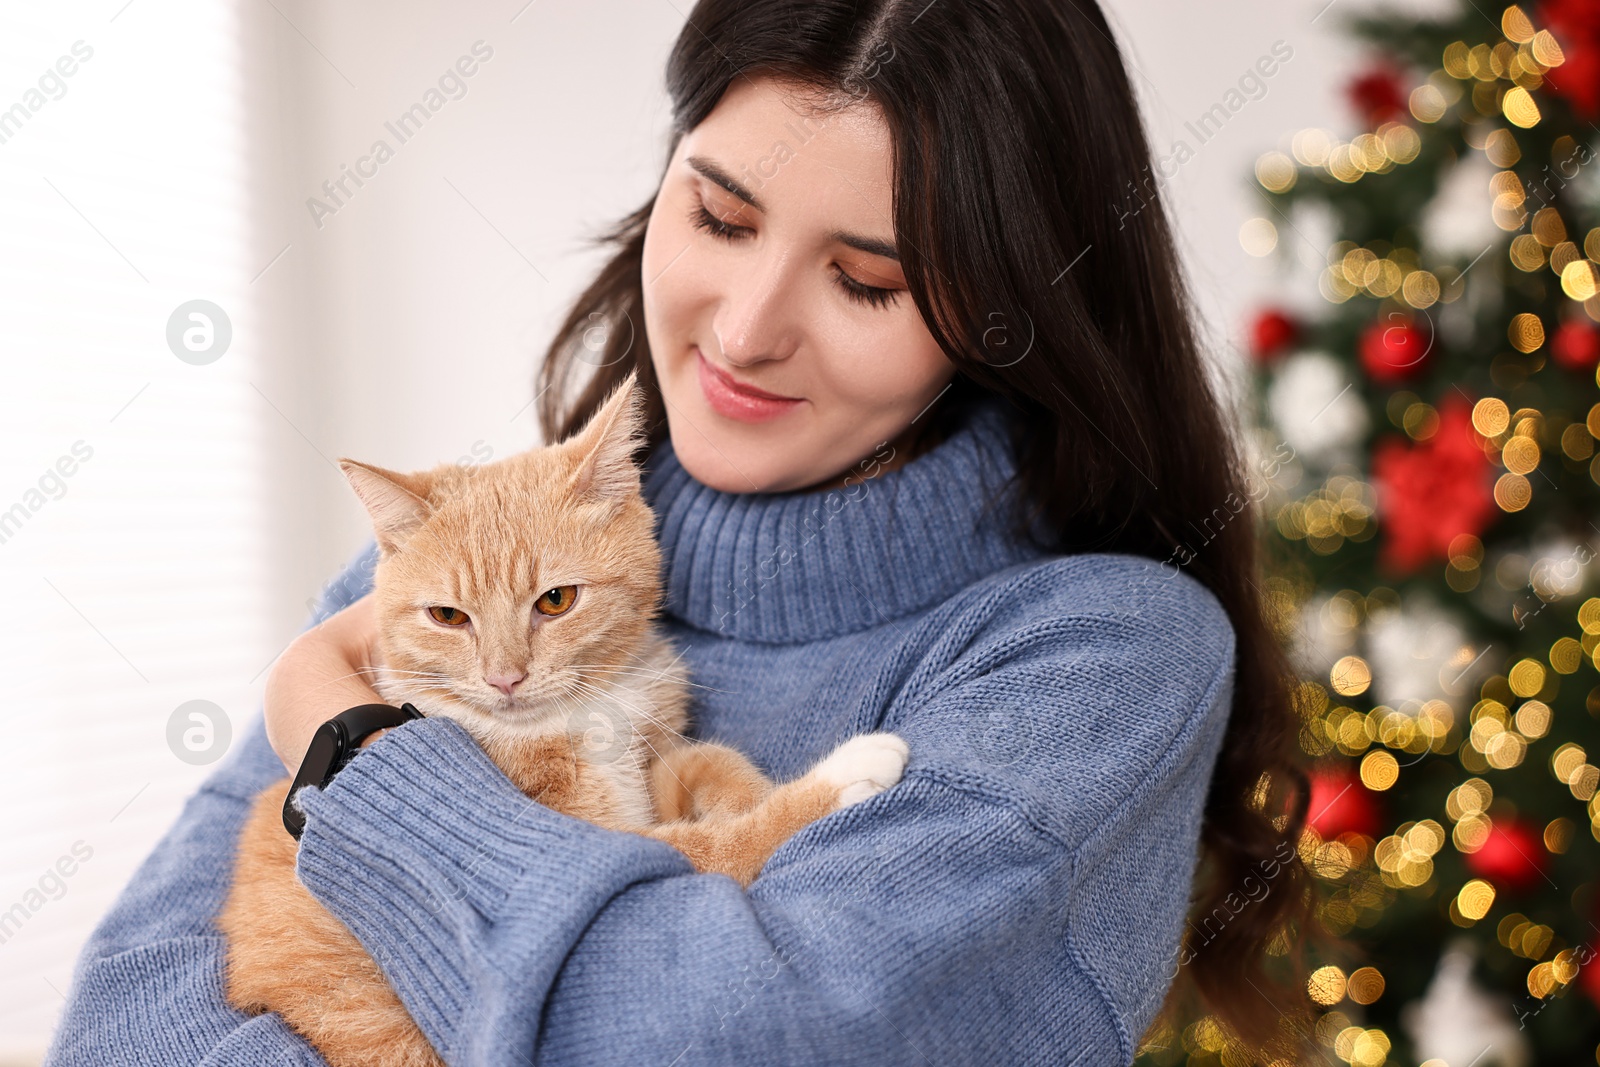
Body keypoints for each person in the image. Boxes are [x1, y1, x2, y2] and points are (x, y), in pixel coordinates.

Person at [45, 0, 1321, 1063]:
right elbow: (118, 1021)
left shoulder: (1101, 657)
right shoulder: (442, 581)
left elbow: (739, 1033)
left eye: (864, 279)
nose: (748, 327)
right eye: (718, 216)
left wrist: (356, 753)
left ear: (1002, 311)